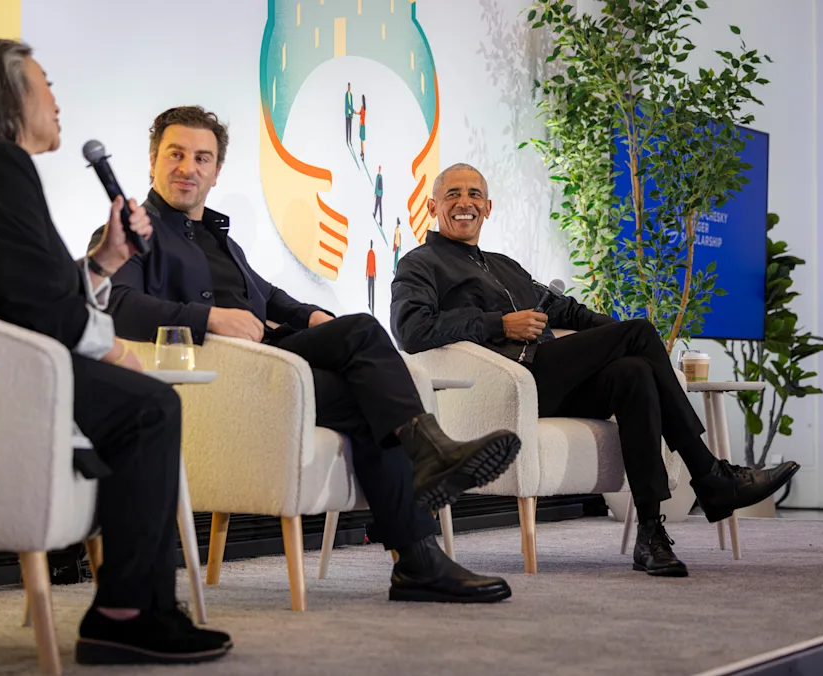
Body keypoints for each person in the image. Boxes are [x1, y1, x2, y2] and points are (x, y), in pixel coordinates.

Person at [92, 106, 523, 604]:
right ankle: (426, 491)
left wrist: (312, 314)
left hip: (273, 367)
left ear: (216, 171)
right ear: (152, 161)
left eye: (201, 158)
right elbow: (115, 303)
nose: (188, 167)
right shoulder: (130, 234)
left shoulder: (215, 235)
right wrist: (208, 318)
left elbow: (269, 295)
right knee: (366, 355)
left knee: (368, 378)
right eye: (176, 154)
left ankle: (420, 550)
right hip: (220, 382)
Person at [0, 40, 232, 666]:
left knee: (146, 406)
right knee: (149, 407)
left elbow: (31, 289)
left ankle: (140, 607)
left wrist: (104, 261)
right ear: (10, 95)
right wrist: (114, 351)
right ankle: (128, 614)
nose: (56, 99)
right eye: (45, 81)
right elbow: (39, 309)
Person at [390, 163, 801, 578]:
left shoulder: (504, 266)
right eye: (453, 194)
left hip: (547, 378)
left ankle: (651, 534)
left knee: (635, 372)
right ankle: (710, 474)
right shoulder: (420, 264)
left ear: (488, 207)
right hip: (503, 386)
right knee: (638, 335)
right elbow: (411, 329)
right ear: (433, 206)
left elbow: (568, 312)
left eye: (474, 194)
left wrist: (626, 338)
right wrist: (499, 324)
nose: (465, 202)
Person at [367, 240, 377, 315]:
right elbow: (374, 265)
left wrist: (366, 274)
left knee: (369, 289)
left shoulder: (370, 253)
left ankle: (370, 305)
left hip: (370, 274)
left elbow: (368, 264)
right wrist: (375, 274)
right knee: (372, 290)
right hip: (372, 274)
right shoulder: (372, 253)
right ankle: (372, 306)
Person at [359, 94, 367, 161]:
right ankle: (362, 152)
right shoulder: (362, 108)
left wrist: (360, 123)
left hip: (362, 125)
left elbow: (362, 117)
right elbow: (360, 113)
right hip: (362, 125)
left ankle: (363, 154)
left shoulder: (363, 109)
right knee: (361, 140)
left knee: (362, 141)